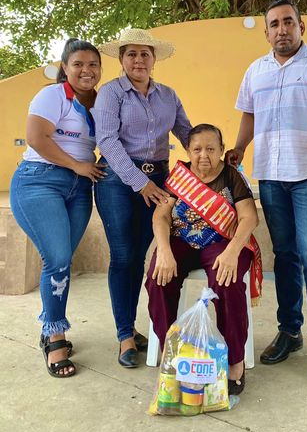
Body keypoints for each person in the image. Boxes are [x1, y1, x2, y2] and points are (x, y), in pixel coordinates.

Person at [227, 0, 307, 378]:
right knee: (284, 254)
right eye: (275, 24)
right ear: (266, 32)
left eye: (288, 22)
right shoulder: (255, 70)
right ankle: (290, 330)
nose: (282, 29)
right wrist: (239, 148)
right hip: (270, 175)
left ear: (301, 26)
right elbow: (250, 115)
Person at [92, 27, 192, 368]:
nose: (138, 60)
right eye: (131, 54)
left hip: (159, 179)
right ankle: (125, 334)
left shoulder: (168, 95)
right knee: (123, 256)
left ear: (154, 59)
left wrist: (213, 158)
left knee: (139, 255)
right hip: (117, 181)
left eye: (144, 54)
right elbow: (107, 141)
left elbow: (187, 133)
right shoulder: (111, 93)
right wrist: (140, 183)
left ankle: (132, 328)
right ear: (122, 59)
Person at [10, 38, 104, 378]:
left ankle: (50, 325)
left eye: (93, 64)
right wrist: (77, 165)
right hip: (40, 181)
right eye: (78, 64)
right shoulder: (53, 95)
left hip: (79, 189)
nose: (86, 70)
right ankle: (55, 338)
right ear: (65, 68)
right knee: (59, 258)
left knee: (60, 261)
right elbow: (37, 138)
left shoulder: (101, 102)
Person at [146, 124, 262, 394]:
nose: (203, 155)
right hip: (182, 240)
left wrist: (232, 252)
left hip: (222, 242)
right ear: (188, 151)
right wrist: (163, 250)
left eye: (211, 149)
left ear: (222, 150)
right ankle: (170, 353)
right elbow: (161, 216)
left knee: (227, 280)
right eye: (197, 149)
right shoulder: (179, 177)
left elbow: (249, 217)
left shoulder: (232, 176)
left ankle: (235, 361)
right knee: (158, 279)